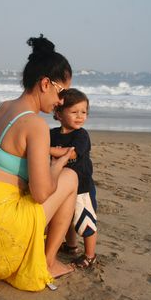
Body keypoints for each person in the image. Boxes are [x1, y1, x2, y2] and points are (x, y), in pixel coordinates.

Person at [0, 34, 78, 292]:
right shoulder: (35, 124)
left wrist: (12, 153)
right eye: (63, 92)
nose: (62, 102)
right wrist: (60, 162)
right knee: (70, 178)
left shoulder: (3, 108)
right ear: (46, 83)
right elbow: (41, 192)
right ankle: (48, 262)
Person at [50, 88, 97, 268]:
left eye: (84, 112)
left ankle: (90, 255)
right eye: (74, 112)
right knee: (66, 219)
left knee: (85, 220)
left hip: (82, 187)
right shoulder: (52, 134)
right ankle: (71, 246)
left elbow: (71, 154)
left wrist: (45, 149)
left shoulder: (81, 135)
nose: (80, 116)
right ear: (59, 113)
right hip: (61, 185)